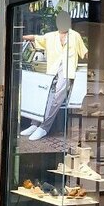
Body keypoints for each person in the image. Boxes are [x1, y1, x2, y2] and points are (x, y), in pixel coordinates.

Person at [21, 12, 87, 140]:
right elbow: (35, 38)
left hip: (67, 72)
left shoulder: (75, 36)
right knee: (44, 96)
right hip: (52, 70)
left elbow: (84, 52)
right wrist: (21, 36)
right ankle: (34, 124)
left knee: (57, 99)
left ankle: (44, 128)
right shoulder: (50, 36)